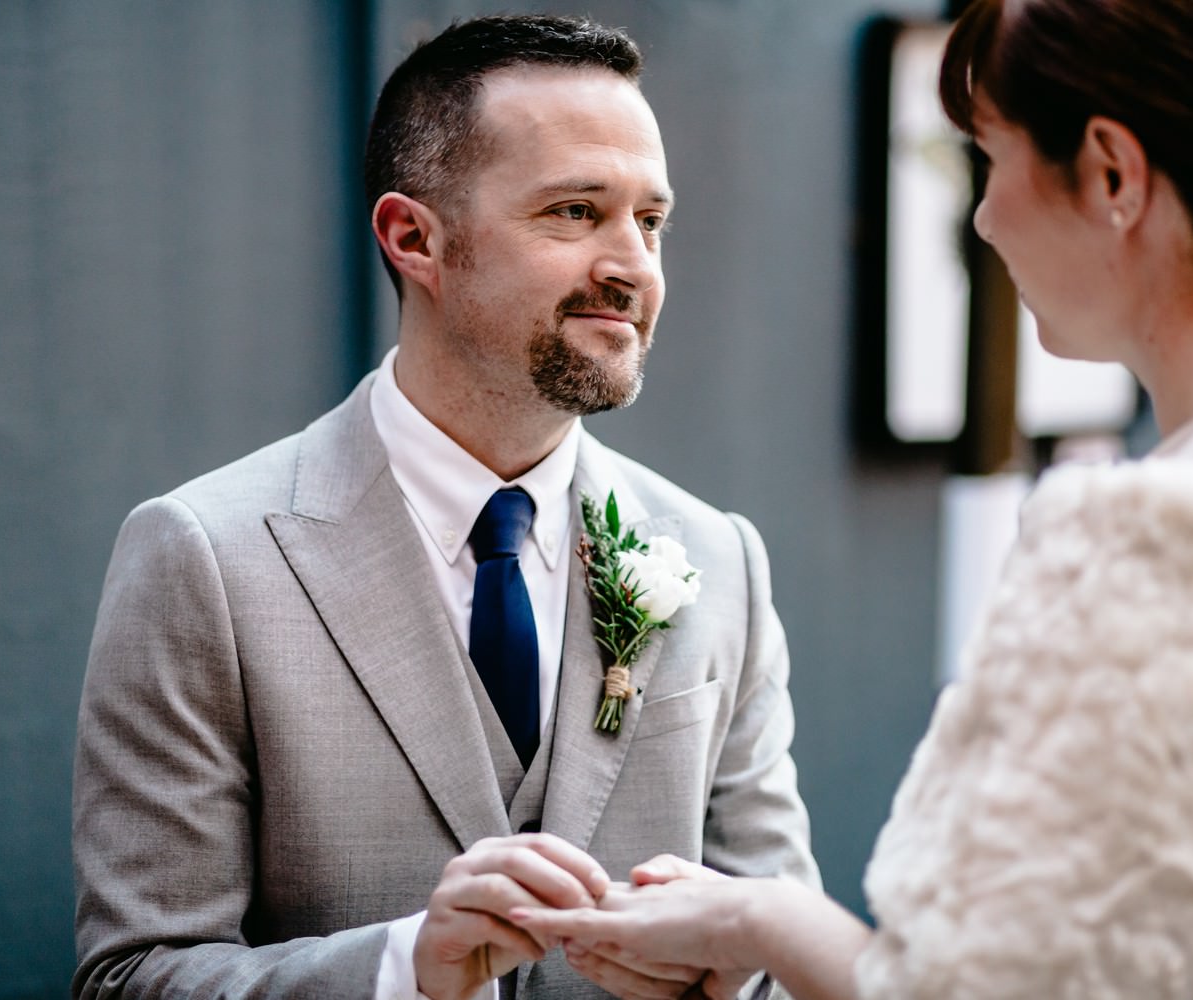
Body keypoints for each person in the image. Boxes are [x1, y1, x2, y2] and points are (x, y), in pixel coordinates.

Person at [513, 0, 1193, 996]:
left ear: (1111, 173)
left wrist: (759, 914)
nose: (983, 216)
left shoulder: (1154, 547)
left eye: (991, 159)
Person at [71, 14, 818, 1000]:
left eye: (651, 219)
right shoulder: (204, 556)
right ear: (413, 237)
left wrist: (735, 978)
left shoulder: (719, 558)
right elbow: (132, 978)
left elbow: (784, 950)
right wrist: (400, 970)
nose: (633, 266)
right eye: (574, 211)